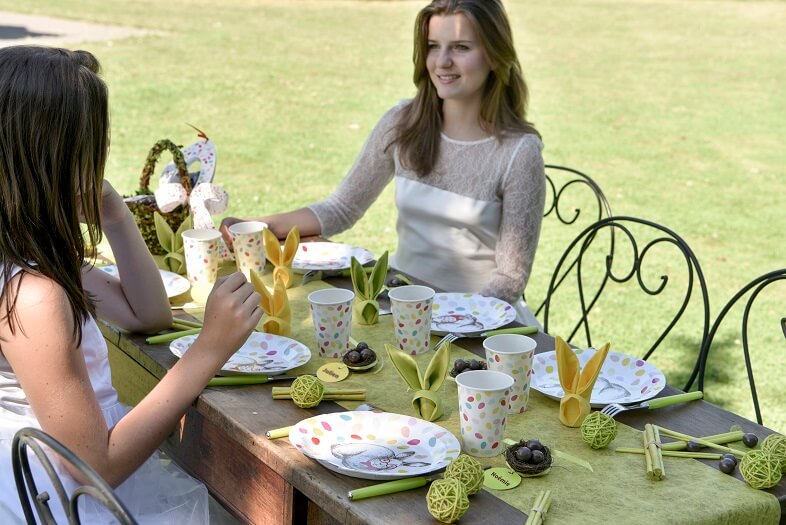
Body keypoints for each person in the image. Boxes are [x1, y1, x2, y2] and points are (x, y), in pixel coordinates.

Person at [0, 46, 263, 524]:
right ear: (50, 161)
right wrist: (209, 349)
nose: (101, 159)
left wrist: (117, 215)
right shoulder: (33, 295)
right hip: (70, 502)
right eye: (93, 148)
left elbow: (148, 315)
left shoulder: (26, 253)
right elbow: (97, 467)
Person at [222, 0, 546, 325]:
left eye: (461, 47)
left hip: (480, 324)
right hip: (402, 308)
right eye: (433, 46)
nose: (442, 61)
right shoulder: (403, 123)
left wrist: (447, 322)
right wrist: (257, 226)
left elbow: (509, 279)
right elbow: (343, 208)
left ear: (494, 54)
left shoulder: (520, 151)